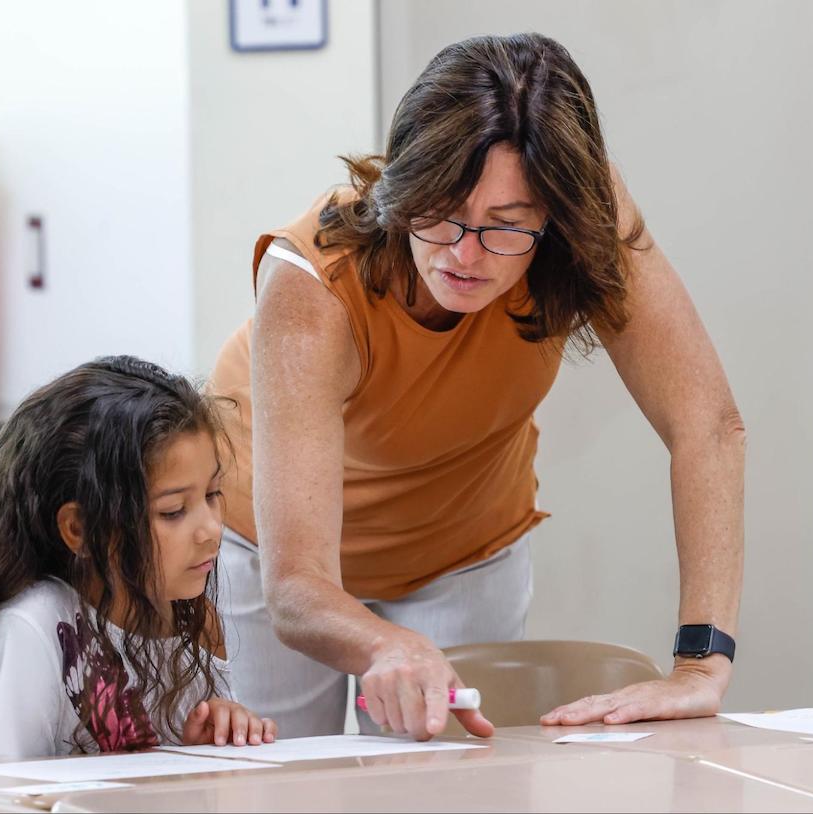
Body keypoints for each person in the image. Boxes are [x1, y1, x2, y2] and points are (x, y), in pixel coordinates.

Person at [209, 32, 745, 740]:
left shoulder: (588, 222)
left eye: (506, 228)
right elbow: (296, 586)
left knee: (449, 784)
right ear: (405, 180)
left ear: (554, 220)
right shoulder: (313, 280)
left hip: (463, 551)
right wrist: (383, 644)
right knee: (276, 785)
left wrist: (701, 666)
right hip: (274, 552)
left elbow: (707, 424)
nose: (464, 254)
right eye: (443, 212)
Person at [0, 356, 277, 768]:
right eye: (173, 511)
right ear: (80, 529)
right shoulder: (31, 632)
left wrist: (207, 749)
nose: (211, 529)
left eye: (212, 495)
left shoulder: (195, 621)